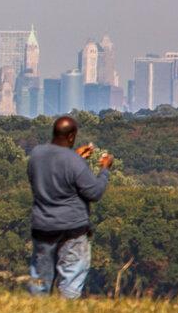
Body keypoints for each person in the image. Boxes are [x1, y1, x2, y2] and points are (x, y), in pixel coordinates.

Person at [26, 115, 113, 299]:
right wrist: (105, 170)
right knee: (71, 282)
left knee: (39, 281)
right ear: (72, 136)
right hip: (72, 230)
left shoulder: (36, 154)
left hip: (42, 228)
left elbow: (54, 171)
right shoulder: (74, 163)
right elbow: (94, 192)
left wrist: (75, 157)